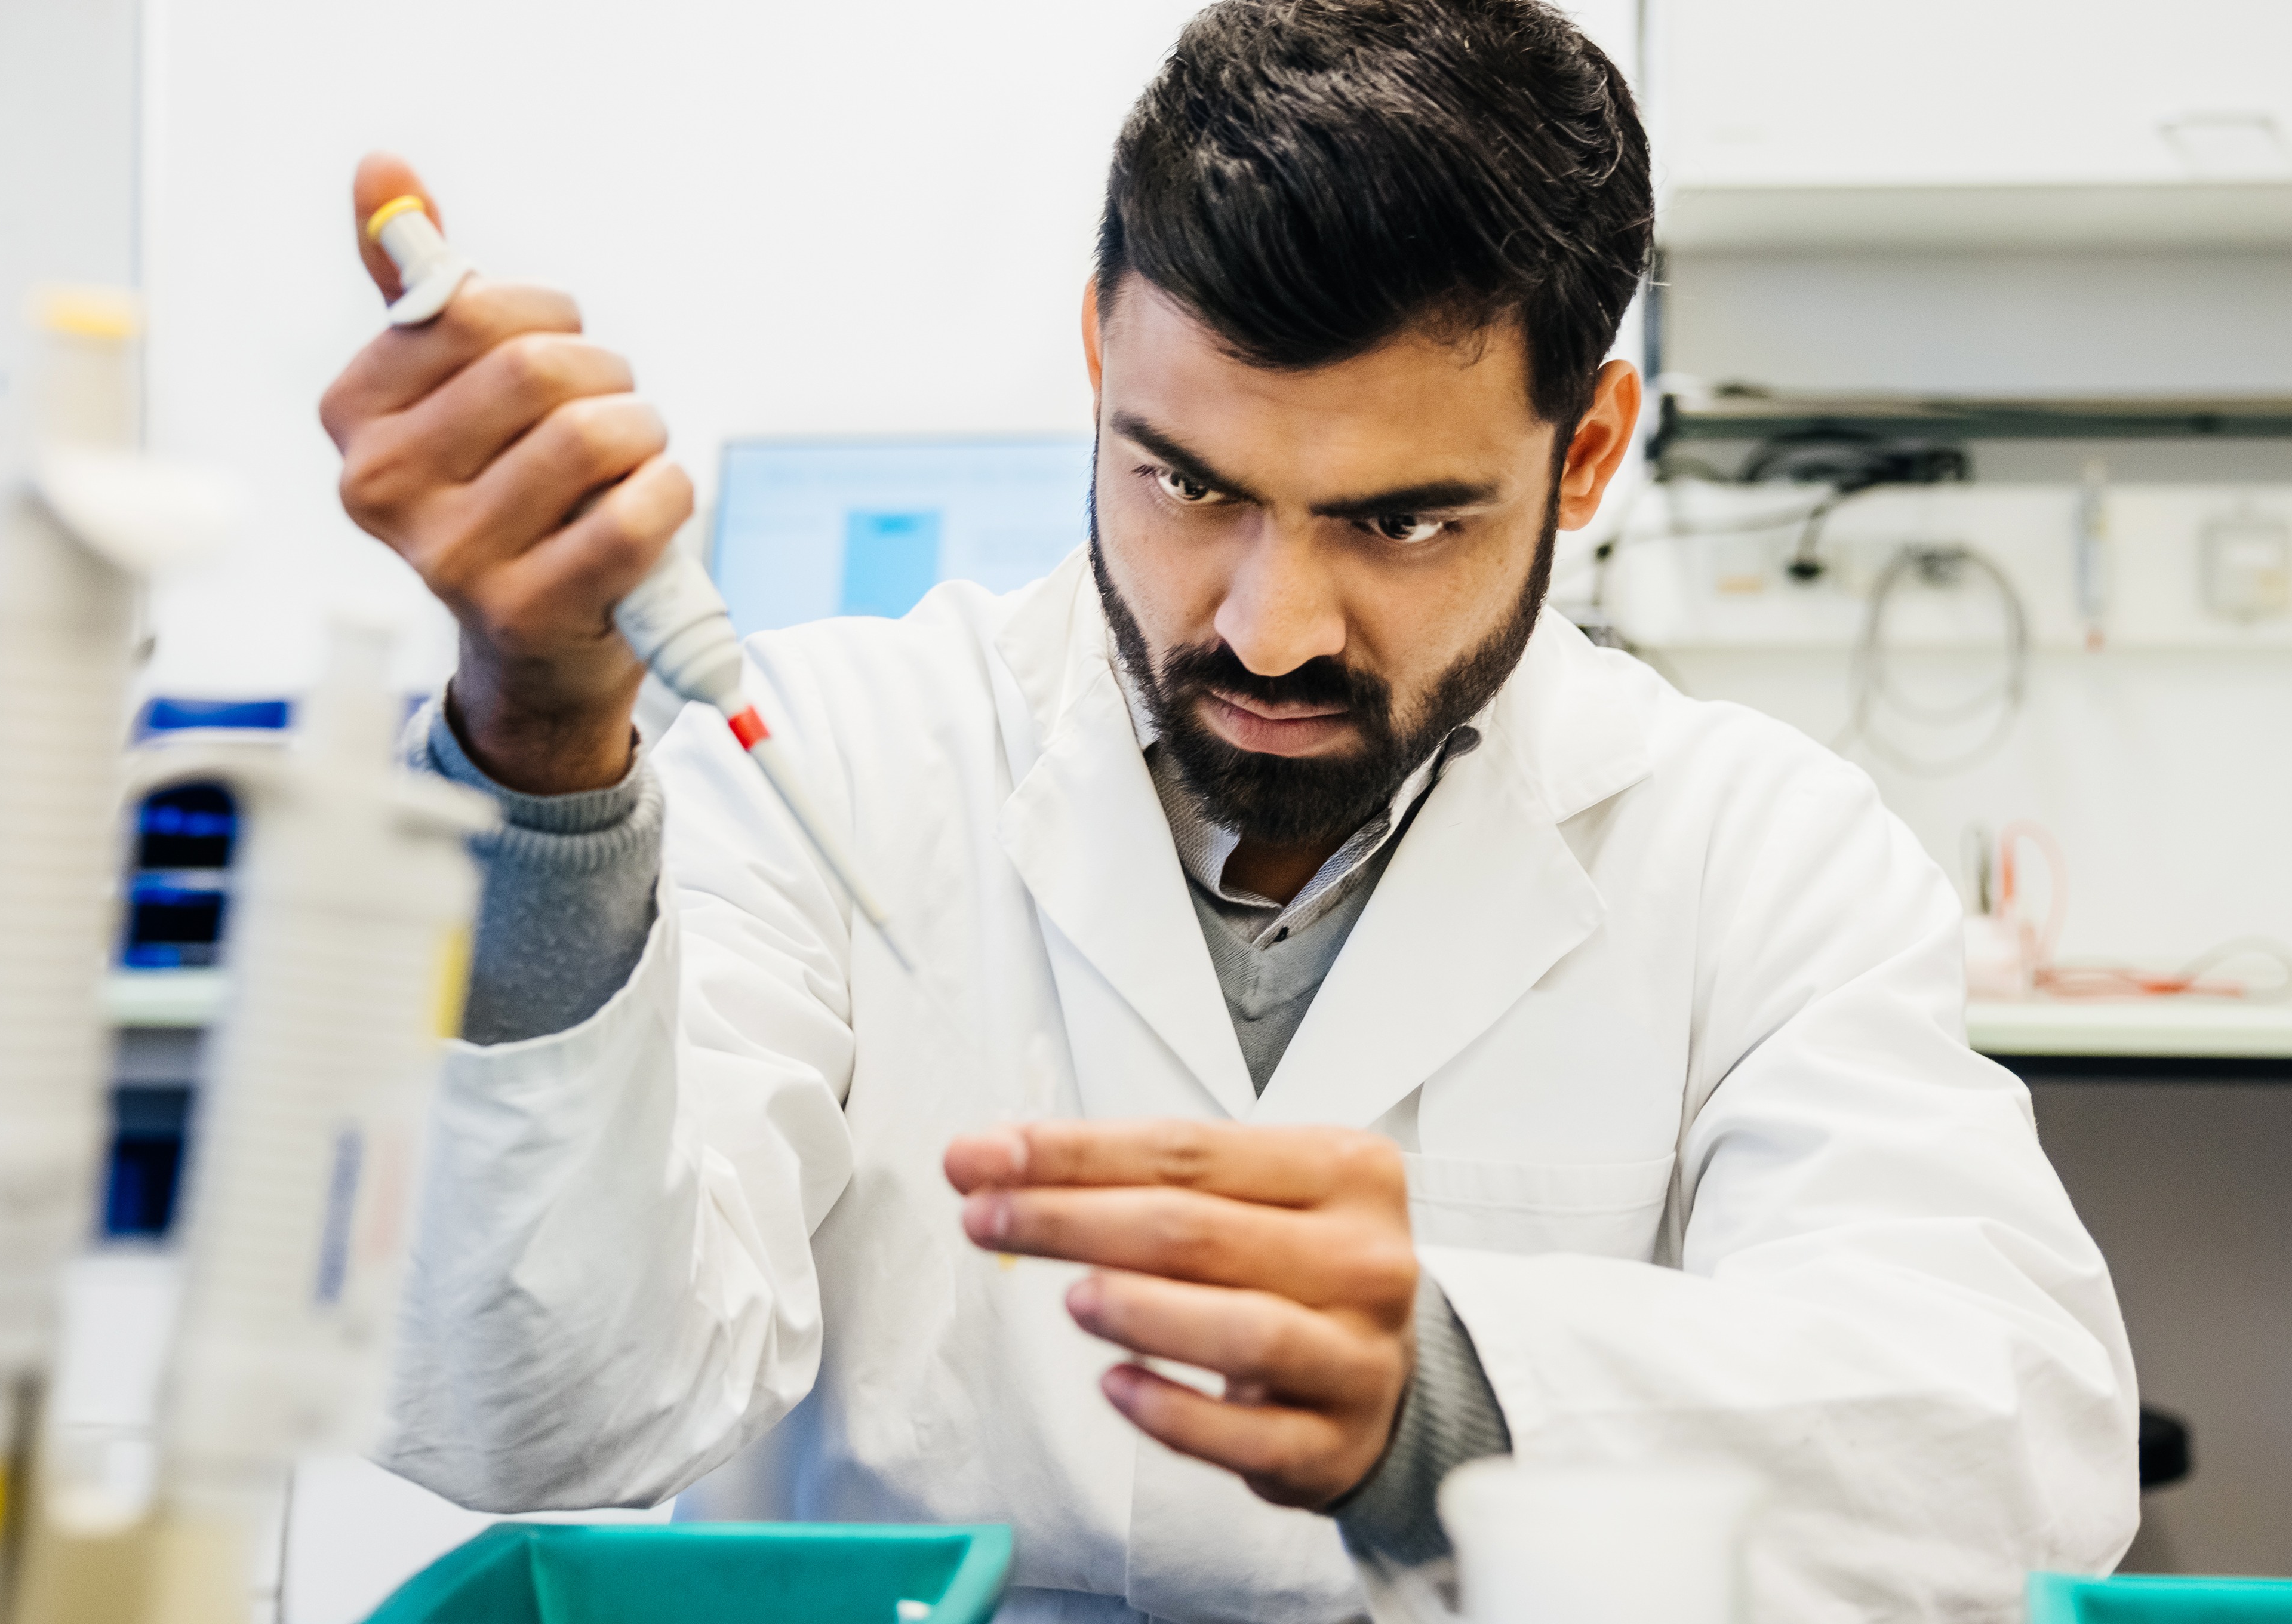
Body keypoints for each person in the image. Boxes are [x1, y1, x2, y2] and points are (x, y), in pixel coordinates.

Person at [317, 2, 2136, 1617]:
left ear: (1584, 453)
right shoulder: (835, 766)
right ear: (1102, 361)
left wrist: (1449, 1386)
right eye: (1188, 483)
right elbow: (536, 1412)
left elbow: (2005, 1454)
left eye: (1403, 520)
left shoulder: (1761, 854)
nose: (1269, 625)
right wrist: (543, 748)